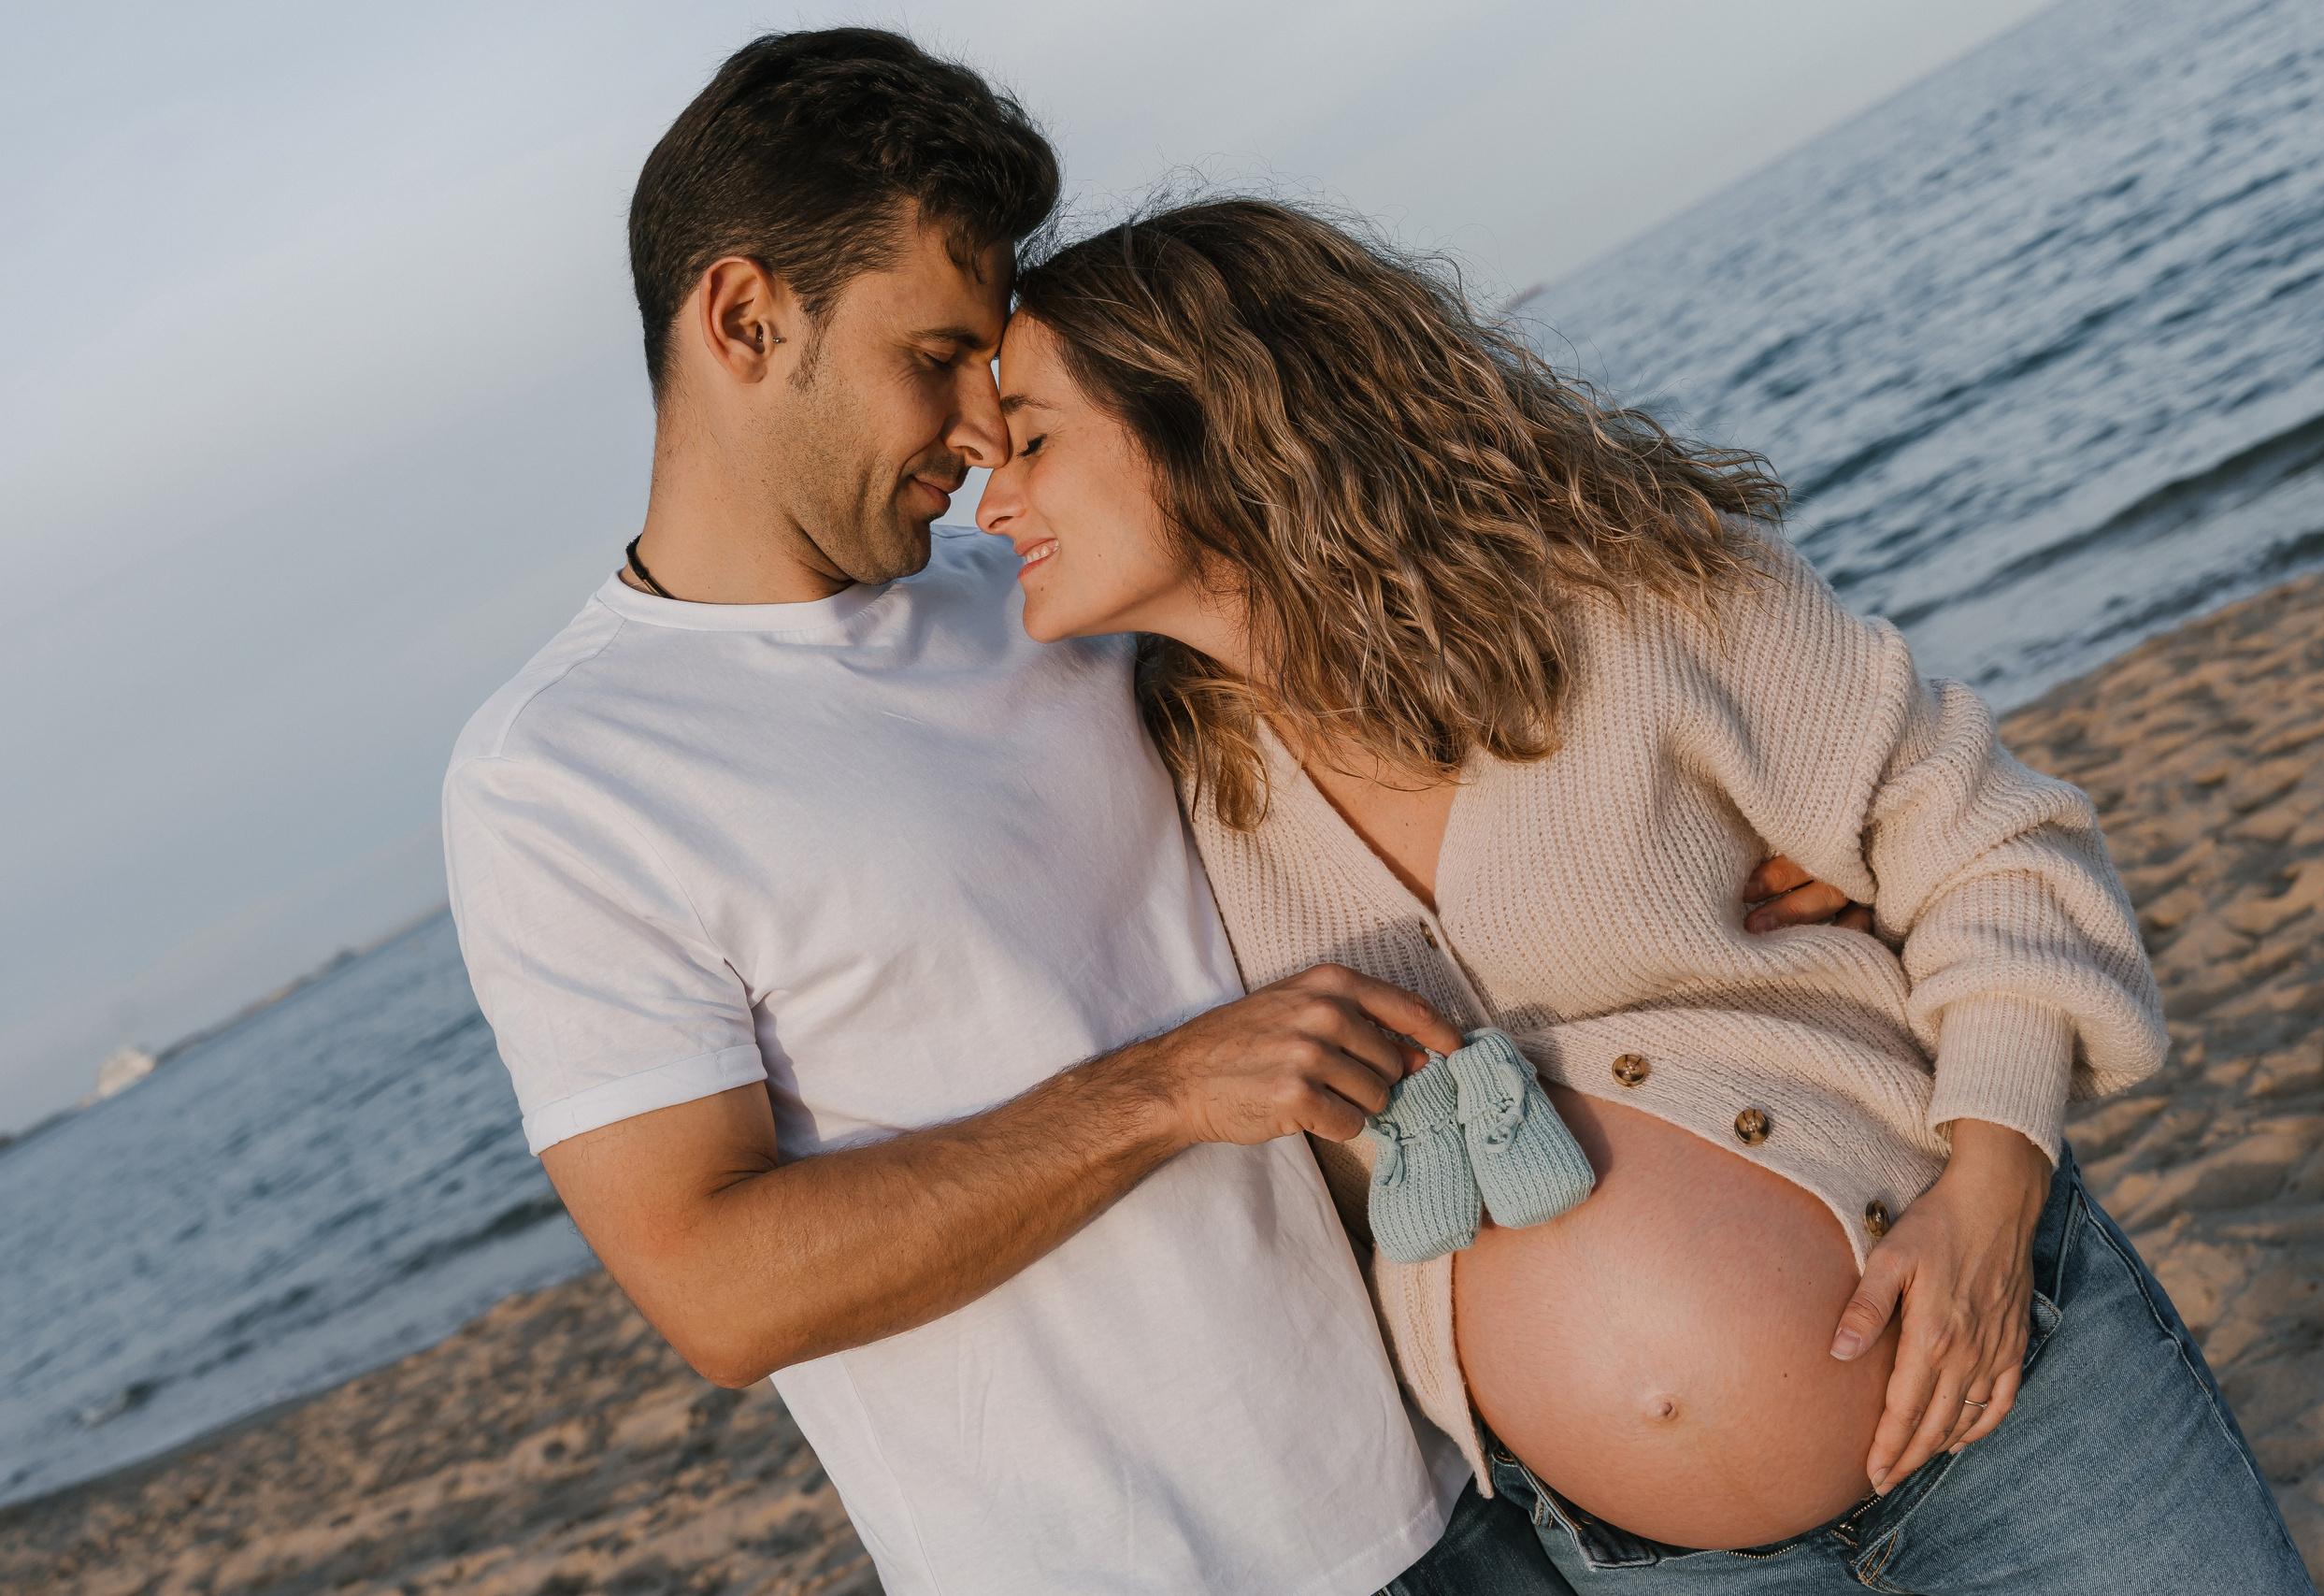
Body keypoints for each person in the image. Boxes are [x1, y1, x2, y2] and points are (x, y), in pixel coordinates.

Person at [443, 29, 1872, 1596]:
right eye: (931, 360)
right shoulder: (557, 778)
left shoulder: (1052, 598)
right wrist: (1161, 1093)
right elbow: (718, 1289)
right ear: (742, 317)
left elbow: (1399, 746)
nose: (984, 437)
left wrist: (1737, 829)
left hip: (1465, 1493)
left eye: (994, 379)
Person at [976, 197, 2318, 1591]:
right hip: (1664, 1566)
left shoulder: (1632, 601)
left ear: (1206, 414)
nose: (993, 499)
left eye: (1033, 441)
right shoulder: (1161, 798)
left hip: (2017, 1398)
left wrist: (1988, 1200)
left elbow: (1989, 842)